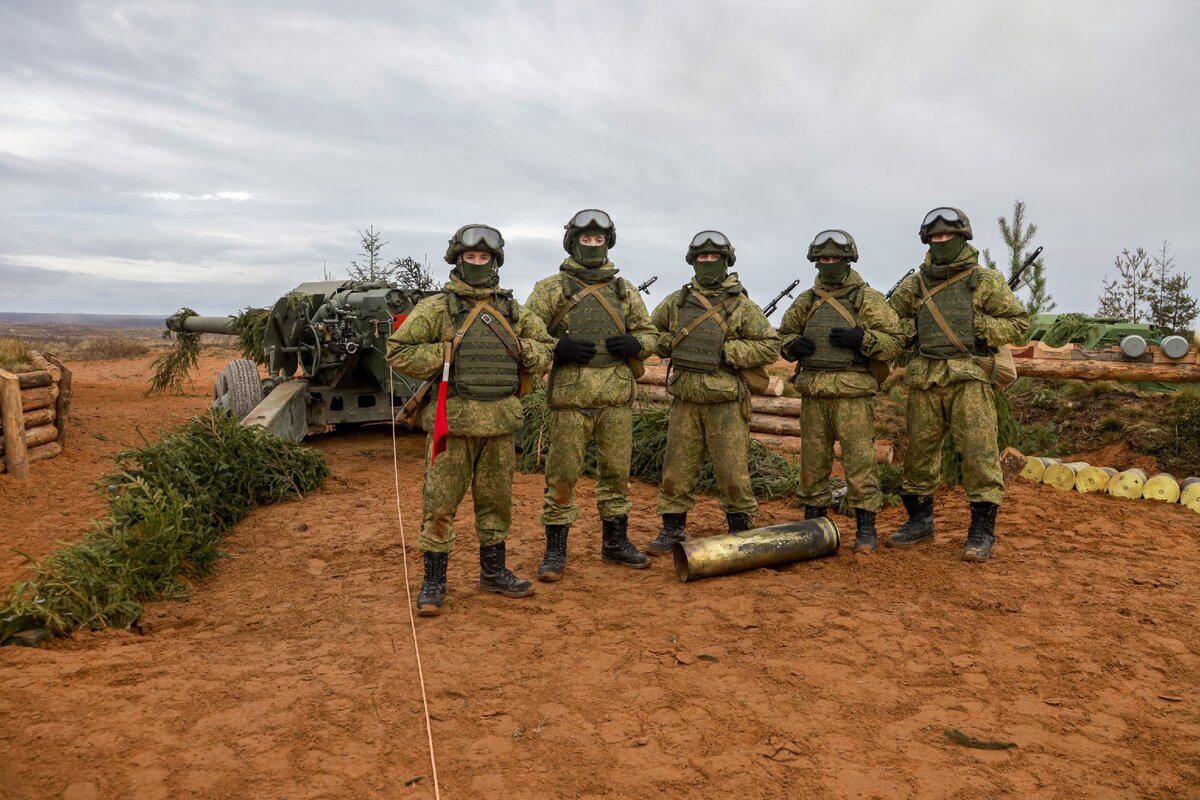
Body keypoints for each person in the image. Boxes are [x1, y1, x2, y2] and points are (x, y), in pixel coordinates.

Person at [386, 224, 555, 615]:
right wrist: (444, 354)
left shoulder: (513, 310)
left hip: (500, 423)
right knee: (440, 502)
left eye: (484, 258)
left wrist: (520, 347)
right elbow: (398, 351)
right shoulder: (436, 309)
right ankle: (434, 582)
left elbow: (544, 348)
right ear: (457, 260)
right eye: (470, 257)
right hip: (453, 424)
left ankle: (493, 573)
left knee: (496, 503)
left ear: (495, 262)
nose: (477, 263)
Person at [886, 207, 1030, 562]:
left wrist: (977, 325)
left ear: (963, 237)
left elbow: (1017, 322)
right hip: (925, 377)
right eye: (935, 236)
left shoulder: (985, 281)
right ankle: (920, 522)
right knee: (919, 455)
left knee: (979, 454)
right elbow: (893, 324)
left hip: (969, 377)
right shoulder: (915, 284)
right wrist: (914, 330)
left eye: (947, 235)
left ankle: (981, 530)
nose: (941, 240)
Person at [523, 209, 657, 581]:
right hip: (571, 400)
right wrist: (556, 348)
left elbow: (650, 334)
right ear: (573, 242)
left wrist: (636, 343)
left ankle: (615, 543)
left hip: (615, 398)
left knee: (616, 474)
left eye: (599, 238)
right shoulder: (551, 288)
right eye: (587, 238)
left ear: (608, 242)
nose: (593, 244)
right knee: (562, 475)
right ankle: (555, 551)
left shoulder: (623, 289)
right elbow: (526, 336)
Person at [645, 231, 781, 554]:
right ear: (693, 261)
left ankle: (739, 529)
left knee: (733, 472)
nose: (708, 262)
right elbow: (650, 333)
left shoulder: (742, 306)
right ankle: (672, 530)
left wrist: (728, 351)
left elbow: (770, 345)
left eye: (714, 257)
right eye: (702, 257)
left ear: (725, 261)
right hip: (686, 400)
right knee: (676, 469)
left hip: (726, 403)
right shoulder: (677, 302)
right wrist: (676, 345)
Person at [778, 230, 904, 554]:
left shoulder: (867, 298)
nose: (829, 263)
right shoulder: (806, 300)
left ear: (848, 260)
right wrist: (793, 346)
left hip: (852, 393)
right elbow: (784, 334)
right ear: (815, 262)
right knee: (813, 462)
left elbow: (896, 340)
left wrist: (862, 339)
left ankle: (865, 530)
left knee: (860, 461)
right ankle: (813, 527)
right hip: (814, 394)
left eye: (835, 258)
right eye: (823, 259)